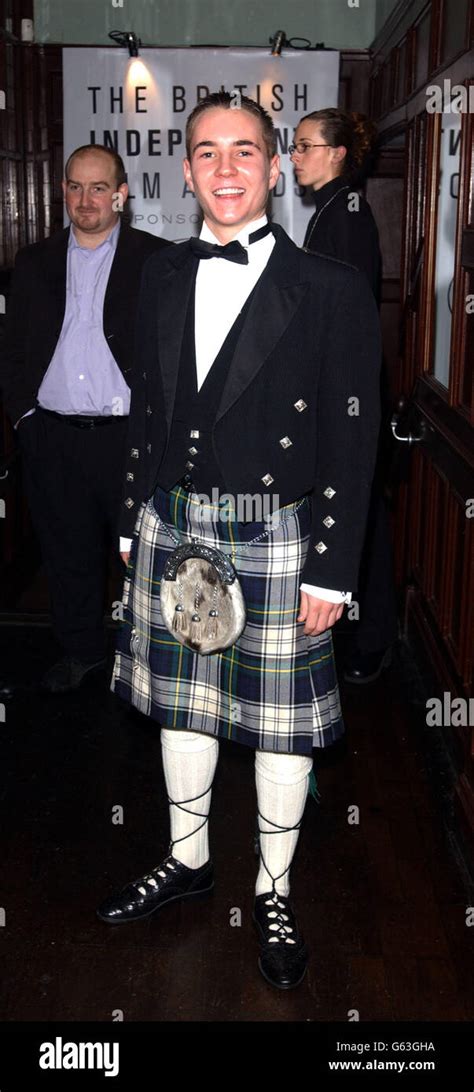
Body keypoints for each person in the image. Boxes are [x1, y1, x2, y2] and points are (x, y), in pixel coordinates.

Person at [96, 93, 381, 990]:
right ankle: (188, 860)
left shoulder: (330, 287)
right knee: (183, 710)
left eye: (246, 152)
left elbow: (352, 429)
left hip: (278, 536)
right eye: (207, 152)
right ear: (183, 171)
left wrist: (333, 570)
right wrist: (134, 520)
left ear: (272, 171)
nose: (226, 169)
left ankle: (274, 885)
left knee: (279, 732)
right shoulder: (160, 275)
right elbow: (148, 403)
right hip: (175, 525)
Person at [0, 145, 169, 693]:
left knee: (142, 556)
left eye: (99, 188)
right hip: (53, 437)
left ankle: (148, 660)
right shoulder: (33, 262)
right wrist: (27, 419)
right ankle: (82, 651)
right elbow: (12, 351)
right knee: (67, 552)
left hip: (128, 439)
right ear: (63, 193)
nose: (86, 199)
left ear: (121, 194)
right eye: (75, 187)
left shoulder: (157, 261)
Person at [291, 108, 398, 683]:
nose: (295, 155)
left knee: (364, 515)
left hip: (348, 391)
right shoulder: (332, 209)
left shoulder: (347, 215)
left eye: (306, 146)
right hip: (338, 388)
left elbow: (344, 320)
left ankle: (373, 638)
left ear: (337, 154)